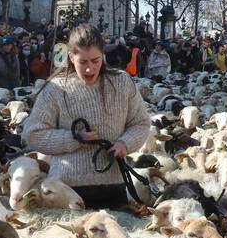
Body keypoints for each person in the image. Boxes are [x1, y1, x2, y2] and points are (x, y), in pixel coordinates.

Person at [21, 24, 153, 209]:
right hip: (64, 192)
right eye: (83, 62)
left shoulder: (122, 82)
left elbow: (140, 123)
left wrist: (125, 143)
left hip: (113, 188)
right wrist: (73, 139)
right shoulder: (55, 89)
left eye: (95, 61)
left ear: (103, 56)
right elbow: (32, 134)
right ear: (71, 57)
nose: (90, 69)